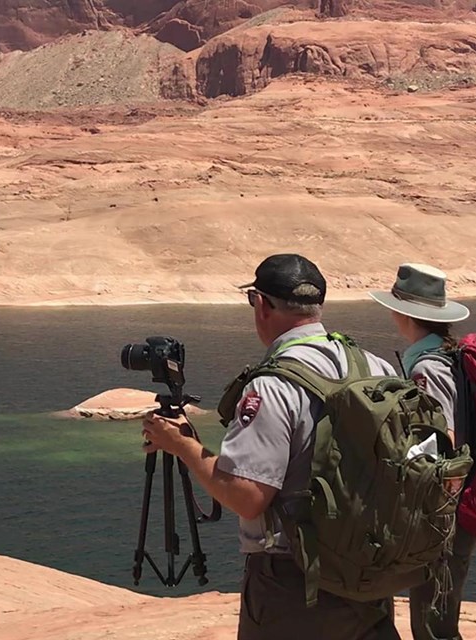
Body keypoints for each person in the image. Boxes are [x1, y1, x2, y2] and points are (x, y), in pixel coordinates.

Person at [142, 253, 401, 640]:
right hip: (371, 572)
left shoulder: (273, 385)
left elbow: (248, 497)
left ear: (260, 304)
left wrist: (182, 447)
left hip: (295, 586)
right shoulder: (377, 368)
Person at [369, 262, 476, 640]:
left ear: (403, 312)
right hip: (460, 503)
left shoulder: (428, 368)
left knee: (433, 626)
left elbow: (440, 437)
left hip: (443, 512)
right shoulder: (453, 354)